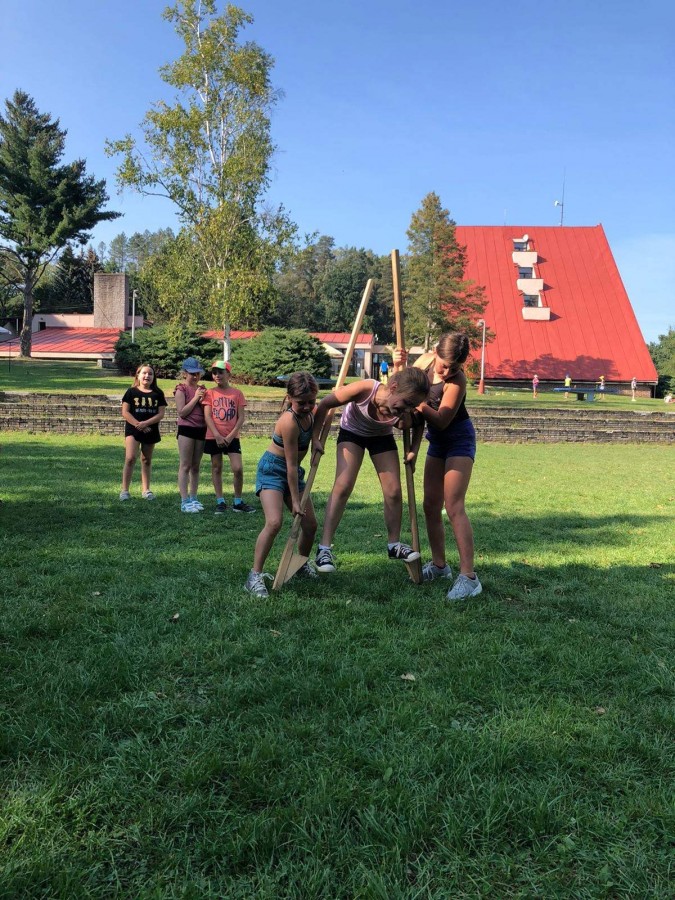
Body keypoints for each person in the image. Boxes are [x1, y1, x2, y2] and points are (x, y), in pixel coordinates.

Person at [312, 368, 429, 574]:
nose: (408, 410)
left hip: (381, 437)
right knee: (343, 485)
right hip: (352, 433)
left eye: (412, 406)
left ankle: (394, 545)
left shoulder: (403, 413)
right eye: (406, 404)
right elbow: (325, 404)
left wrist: (414, 450)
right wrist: (315, 437)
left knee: (393, 491)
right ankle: (324, 549)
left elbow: (419, 422)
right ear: (393, 388)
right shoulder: (366, 390)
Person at [395, 333, 481, 601]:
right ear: (435, 352)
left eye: (454, 368)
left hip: (459, 441)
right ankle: (440, 566)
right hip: (437, 443)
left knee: (453, 506)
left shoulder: (457, 381)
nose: (447, 372)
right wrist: (398, 364)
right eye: (444, 366)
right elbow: (400, 388)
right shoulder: (424, 363)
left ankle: (469, 578)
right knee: (430, 505)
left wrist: (418, 403)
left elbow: (442, 419)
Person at [244, 372, 320, 598]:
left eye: (311, 402)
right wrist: (295, 501)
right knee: (274, 522)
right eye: (301, 403)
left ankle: (299, 564)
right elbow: (290, 465)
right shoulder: (288, 422)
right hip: (273, 471)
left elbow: (324, 411)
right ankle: (254, 576)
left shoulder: (311, 413)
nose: (306, 407)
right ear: (289, 398)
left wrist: (316, 439)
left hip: (293, 472)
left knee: (310, 525)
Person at [202, 359, 255, 514]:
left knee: (237, 468)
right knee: (216, 467)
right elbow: (207, 416)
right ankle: (220, 501)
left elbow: (241, 417)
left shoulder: (237, 393)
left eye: (221, 372)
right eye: (214, 373)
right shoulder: (209, 393)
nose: (217, 375)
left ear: (228, 374)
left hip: (232, 437)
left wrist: (231, 436)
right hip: (214, 436)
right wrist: (217, 435)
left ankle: (238, 502)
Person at [120, 364, 167, 501]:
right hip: (133, 430)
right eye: (144, 373)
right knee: (130, 458)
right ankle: (124, 491)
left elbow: (161, 414)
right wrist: (138, 424)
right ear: (138, 375)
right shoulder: (131, 392)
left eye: (150, 374)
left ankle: (146, 490)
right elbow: (125, 412)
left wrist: (146, 424)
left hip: (150, 430)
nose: (147, 376)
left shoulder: (158, 393)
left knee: (146, 460)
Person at [174, 357, 207, 513]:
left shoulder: (202, 389)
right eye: (192, 373)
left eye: (197, 373)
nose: (195, 376)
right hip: (186, 429)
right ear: (184, 373)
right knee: (185, 465)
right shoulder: (181, 389)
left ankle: (194, 498)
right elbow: (182, 412)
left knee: (195, 466)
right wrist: (195, 398)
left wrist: (202, 399)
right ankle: (184, 500)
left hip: (201, 429)